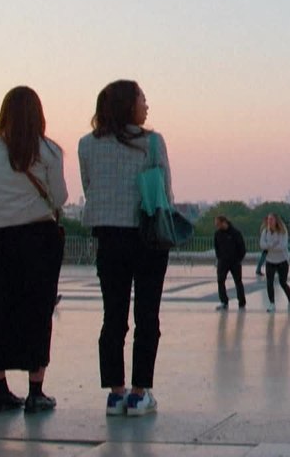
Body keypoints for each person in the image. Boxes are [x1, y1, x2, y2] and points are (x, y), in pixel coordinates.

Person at [79, 80, 171, 417]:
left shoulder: (86, 145)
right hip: (146, 237)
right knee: (147, 315)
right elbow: (164, 191)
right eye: (142, 99)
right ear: (128, 105)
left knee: (113, 316)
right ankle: (139, 391)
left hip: (108, 237)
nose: (147, 105)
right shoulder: (152, 142)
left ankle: (115, 392)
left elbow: (90, 186)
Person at [0, 86, 67, 414]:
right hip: (39, 239)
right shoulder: (50, 151)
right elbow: (59, 197)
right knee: (38, 312)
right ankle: (35, 390)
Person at [259, 213, 290, 311]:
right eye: (268, 219)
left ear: (276, 221)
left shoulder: (283, 232)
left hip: (282, 260)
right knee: (269, 283)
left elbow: (282, 246)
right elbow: (262, 245)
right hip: (270, 261)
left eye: (272, 219)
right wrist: (272, 245)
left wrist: (269, 246)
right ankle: (272, 303)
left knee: (283, 282)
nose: (269, 221)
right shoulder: (265, 232)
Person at [214, 216, 247, 310]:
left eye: (218, 224)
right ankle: (224, 301)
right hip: (222, 262)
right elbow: (216, 247)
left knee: (238, 281)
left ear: (224, 222)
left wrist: (239, 259)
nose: (217, 226)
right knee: (220, 281)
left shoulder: (235, 233)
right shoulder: (217, 234)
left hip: (235, 262)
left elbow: (242, 248)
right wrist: (219, 257)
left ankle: (242, 302)